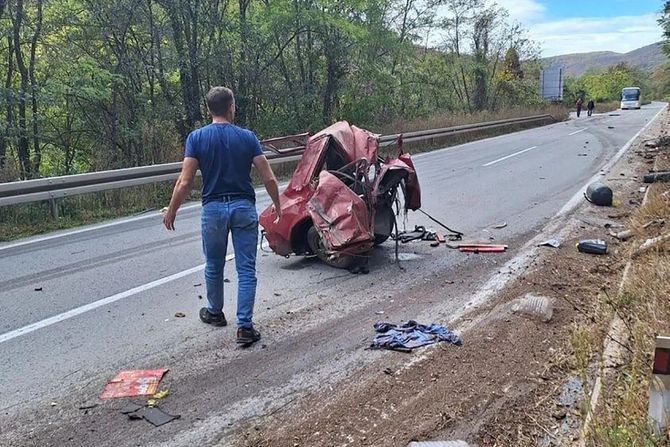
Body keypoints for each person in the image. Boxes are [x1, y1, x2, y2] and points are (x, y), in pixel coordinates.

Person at [162, 86, 281, 346]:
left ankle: (215, 312)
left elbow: (185, 182)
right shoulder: (248, 137)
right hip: (243, 208)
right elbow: (268, 177)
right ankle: (245, 327)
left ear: (209, 110)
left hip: (213, 209)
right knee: (246, 268)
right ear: (231, 107)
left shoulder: (196, 138)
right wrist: (277, 205)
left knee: (214, 265)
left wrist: (172, 211)